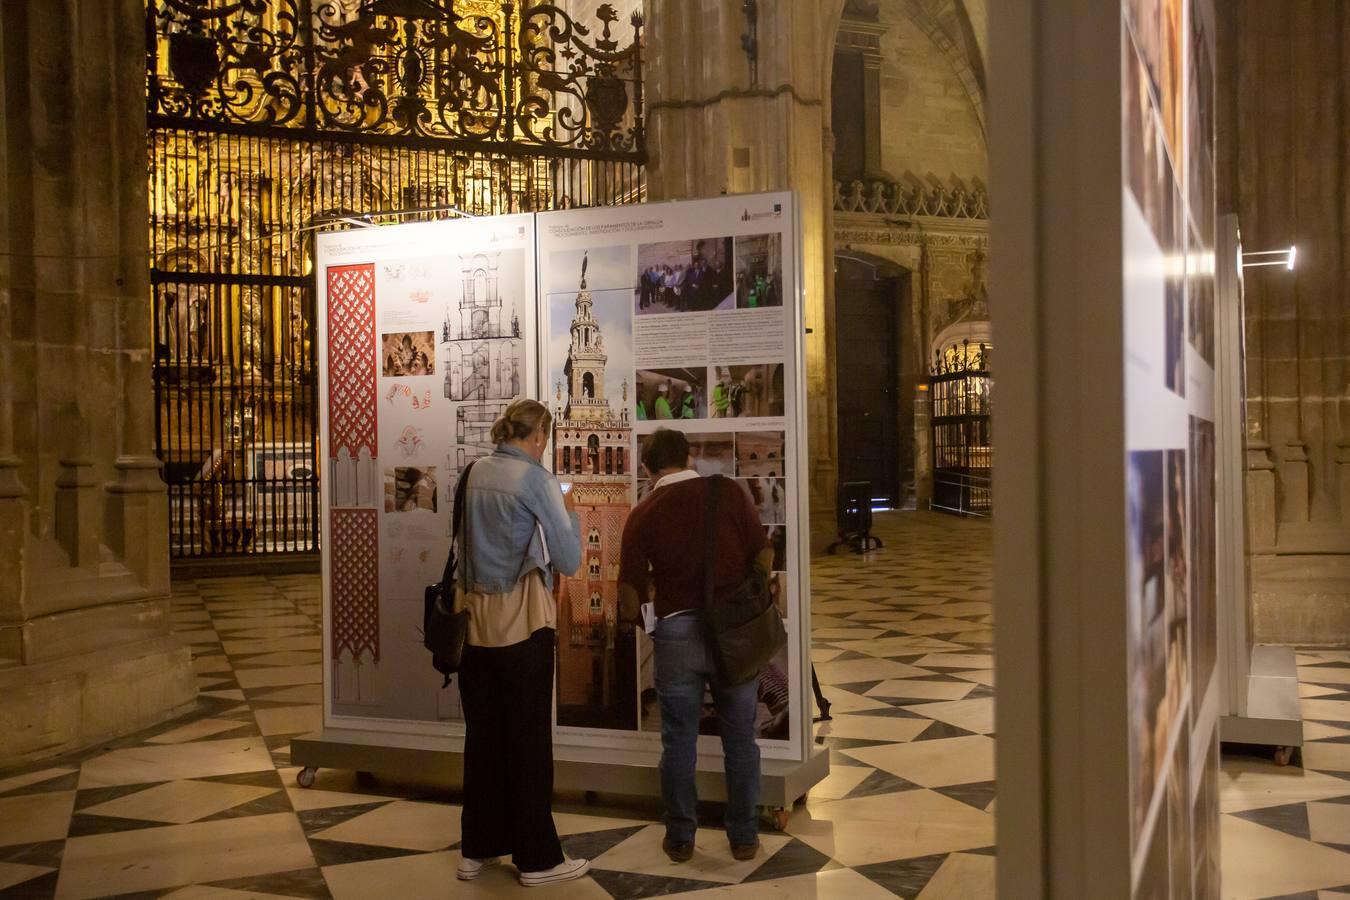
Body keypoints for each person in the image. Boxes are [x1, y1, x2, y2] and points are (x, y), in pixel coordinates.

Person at [453, 399, 590, 888]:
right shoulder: (536, 480)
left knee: (483, 739)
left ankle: (476, 849)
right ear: (539, 436)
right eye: (545, 440)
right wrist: (571, 515)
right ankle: (537, 859)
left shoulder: (472, 473)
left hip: (473, 627)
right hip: (521, 625)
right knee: (529, 742)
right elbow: (571, 560)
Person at [619, 429, 772, 863]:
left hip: (676, 633)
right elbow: (762, 553)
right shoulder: (728, 492)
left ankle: (681, 837)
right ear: (688, 457)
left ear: (647, 469)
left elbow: (629, 595)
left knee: (678, 739)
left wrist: (641, 617)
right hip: (734, 634)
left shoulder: (644, 512)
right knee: (741, 739)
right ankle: (743, 836)